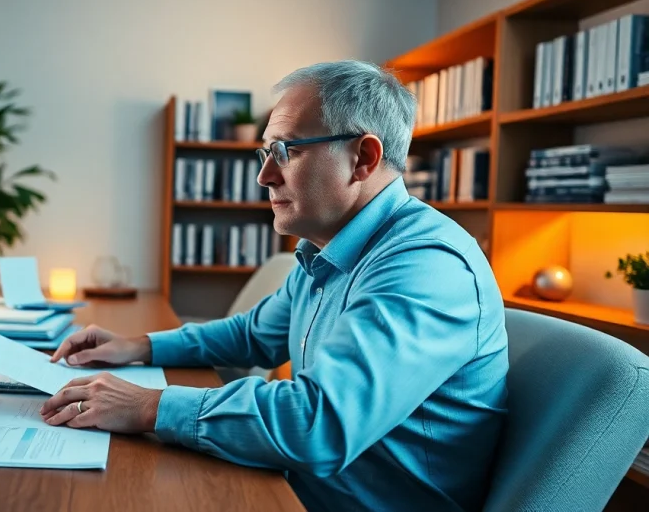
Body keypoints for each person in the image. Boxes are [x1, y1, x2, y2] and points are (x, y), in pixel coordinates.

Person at [40, 60, 509, 512]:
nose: (265, 176)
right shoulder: (328, 249)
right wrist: (136, 346)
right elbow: (250, 336)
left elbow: (319, 424)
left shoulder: (425, 266)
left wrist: (148, 406)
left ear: (363, 158)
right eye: (267, 153)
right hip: (298, 488)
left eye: (288, 151)